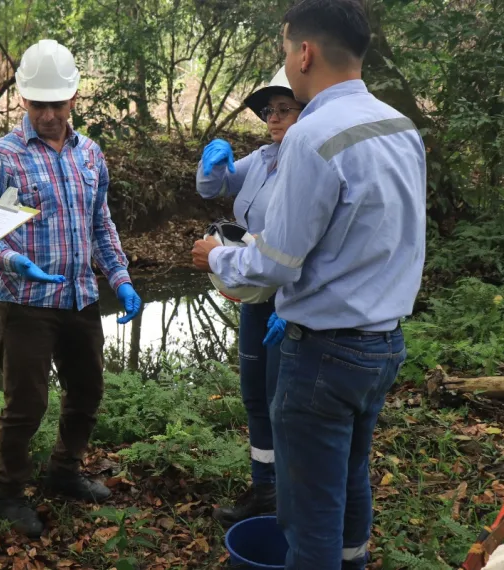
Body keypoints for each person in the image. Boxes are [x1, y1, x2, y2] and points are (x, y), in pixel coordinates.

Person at [189, 0, 427, 566]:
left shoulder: (312, 135)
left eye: (283, 48)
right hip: (384, 343)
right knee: (349, 482)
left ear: (305, 52)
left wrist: (218, 257)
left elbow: (275, 262)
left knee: (308, 513)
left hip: (322, 353)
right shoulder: (400, 126)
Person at [0, 39, 144, 538]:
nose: (46, 113)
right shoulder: (3, 157)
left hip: (80, 296)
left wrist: (122, 279)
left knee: (87, 389)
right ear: (22, 99)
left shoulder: (90, 154)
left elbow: (101, 224)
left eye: (56, 103)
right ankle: (9, 493)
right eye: (37, 103)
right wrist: (12, 261)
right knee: (26, 404)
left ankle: (64, 471)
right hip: (23, 303)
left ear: (73, 99)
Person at [195, 66, 305, 529]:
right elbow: (211, 189)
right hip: (257, 292)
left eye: (284, 109)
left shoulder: (309, 165)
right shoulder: (262, 159)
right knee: (255, 396)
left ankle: (291, 498)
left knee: (283, 402)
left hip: (291, 298)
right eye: (269, 111)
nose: (274, 119)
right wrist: (211, 164)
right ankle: (263, 490)